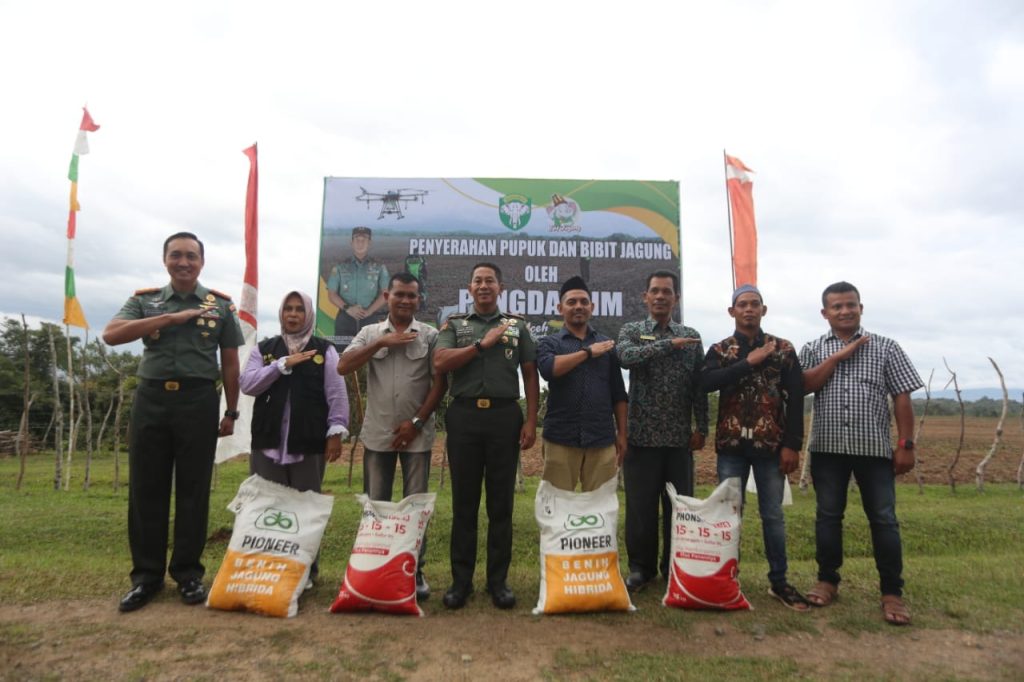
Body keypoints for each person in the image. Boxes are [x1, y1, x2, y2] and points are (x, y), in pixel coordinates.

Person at [103, 232, 244, 612]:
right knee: (147, 490)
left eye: (191, 256)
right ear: (165, 260)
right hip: (151, 399)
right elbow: (111, 335)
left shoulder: (221, 307)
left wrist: (230, 411)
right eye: (176, 255)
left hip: (198, 400)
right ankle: (146, 577)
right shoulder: (144, 301)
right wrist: (169, 317)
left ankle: (187, 574)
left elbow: (230, 362)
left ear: (202, 261)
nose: (184, 262)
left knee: (193, 490)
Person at [799, 281, 923, 626]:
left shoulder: (886, 348)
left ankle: (892, 593)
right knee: (827, 516)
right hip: (827, 449)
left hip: (874, 451)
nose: (844, 311)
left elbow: (902, 397)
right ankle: (827, 580)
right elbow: (803, 385)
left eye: (850, 305)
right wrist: (837, 358)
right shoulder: (812, 348)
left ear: (861, 307)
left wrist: (906, 445)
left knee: (883, 519)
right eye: (836, 307)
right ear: (825, 313)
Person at [434, 262, 539, 609]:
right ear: (469, 288)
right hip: (463, 416)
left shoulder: (517, 326)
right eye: (478, 281)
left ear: (500, 287)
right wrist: (481, 345)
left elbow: (530, 375)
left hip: (504, 417)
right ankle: (460, 583)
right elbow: (441, 362)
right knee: (464, 505)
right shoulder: (455, 325)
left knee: (501, 506)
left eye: (489, 281)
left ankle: (499, 582)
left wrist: (531, 421)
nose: (483, 286)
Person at [337, 273, 446, 600]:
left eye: (411, 296)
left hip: (417, 434)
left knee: (415, 508)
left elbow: (440, 384)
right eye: (399, 294)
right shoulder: (369, 332)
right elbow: (343, 366)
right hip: (378, 434)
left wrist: (416, 421)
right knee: (377, 506)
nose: (405, 301)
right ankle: (372, 571)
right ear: (387, 296)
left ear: (418, 299)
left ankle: (415, 572)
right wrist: (381, 343)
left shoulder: (429, 335)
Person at [701, 284, 810, 611]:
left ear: (764, 310)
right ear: (731, 311)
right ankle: (726, 582)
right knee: (729, 518)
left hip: (772, 448)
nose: (748, 309)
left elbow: (795, 399)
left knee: (773, 516)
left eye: (755, 304)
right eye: (742, 304)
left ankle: (779, 582)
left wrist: (792, 445)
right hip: (731, 447)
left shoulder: (785, 349)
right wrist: (748, 363)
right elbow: (705, 384)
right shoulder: (721, 350)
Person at [239, 290, 349, 587]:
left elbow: (336, 393)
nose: (293, 314)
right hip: (268, 440)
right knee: (266, 506)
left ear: (308, 314)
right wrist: (281, 365)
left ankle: (306, 570)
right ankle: (267, 567)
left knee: (305, 509)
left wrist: (336, 433)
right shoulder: (265, 349)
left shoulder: (324, 350)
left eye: (299, 309)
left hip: (309, 441)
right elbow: (247, 384)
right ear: (281, 313)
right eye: (287, 308)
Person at [617, 269, 708, 593]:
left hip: (679, 438)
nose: (659, 296)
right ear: (645, 297)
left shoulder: (692, 336)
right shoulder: (632, 331)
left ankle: (674, 568)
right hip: (640, 437)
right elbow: (626, 358)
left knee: (679, 508)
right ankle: (640, 569)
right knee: (640, 509)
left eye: (666, 292)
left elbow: (699, 386)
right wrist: (668, 345)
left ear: (676, 298)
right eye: (654, 291)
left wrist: (703, 427)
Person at [536, 275, 627, 492]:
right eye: (572, 302)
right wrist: (587, 353)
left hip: (602, 439)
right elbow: (549, 369)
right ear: (560, 308)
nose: (578, 306)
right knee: (556, 507)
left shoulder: (606, 345)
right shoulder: (549, 342)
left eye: (584, 302)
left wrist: (622, 433)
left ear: (592, 307)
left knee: (600, 509)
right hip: (560, 438)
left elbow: (619, 393)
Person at [327, 226, 389, 347]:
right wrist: (348, 308)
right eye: (357, 239)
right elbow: (331, 294)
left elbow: (385, 294)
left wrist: (369, 311)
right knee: (343, 357)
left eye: (364, 240)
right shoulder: (340, 267)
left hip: (370, 318)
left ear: (369, 242)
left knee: (371, 357)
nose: (360, 243)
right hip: (345, 318)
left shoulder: (379, 267)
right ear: (351, 242)